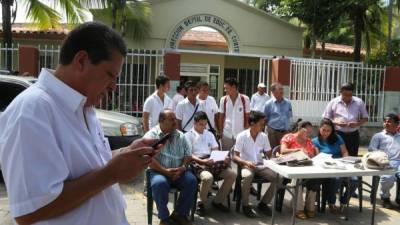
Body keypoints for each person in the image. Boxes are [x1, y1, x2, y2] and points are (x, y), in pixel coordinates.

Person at [0, 22, 160, 225]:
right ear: (82, 60)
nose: (113, 86)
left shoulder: (85, 108)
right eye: (110, 75)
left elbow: (86, 165)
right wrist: (112, 174)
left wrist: (125, 154)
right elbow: (30, 210)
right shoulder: (32, 110)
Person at [145, 110, 197, 225]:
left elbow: (188, 155)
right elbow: (148, 159)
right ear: (161, 121)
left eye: (175, 119)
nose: (175, 122)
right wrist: (165, 171)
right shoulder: (151, 136)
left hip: (179, 171)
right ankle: (164, 218)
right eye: (171, 119)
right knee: (159, 184)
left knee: (191, 181)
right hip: (159, 171)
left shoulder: (180, 136)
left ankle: (179, 214)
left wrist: (183, 167)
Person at [185, 111, 236, 216]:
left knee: (232, 174)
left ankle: (217, 201)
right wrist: (203, 161)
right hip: (197, 163)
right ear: (194, 123)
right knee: (208, 178)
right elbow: (189, 155)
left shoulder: (209, 134)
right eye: (201, 124)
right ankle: (201, 203)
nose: (203, 127)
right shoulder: (188, 136)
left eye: (205, 124)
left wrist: (222, 157)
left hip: (212, 161)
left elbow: (215, 149)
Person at [233, 111, 280, 218]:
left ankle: (263, 204)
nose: (263, 126)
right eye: (261, 123)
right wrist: (246, 162)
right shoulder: (242, 136)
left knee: (279, 177)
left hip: (260, 165)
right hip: (246, 165)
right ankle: (245, 205)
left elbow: (269, 154)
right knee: (247, 176)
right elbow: (235, 156)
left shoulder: (263, 136)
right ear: (252, 123)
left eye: (264, 124)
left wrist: (278, 158)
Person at [280, 120, 319, 219]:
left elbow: (313, 156)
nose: (309, 134)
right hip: (291, 170)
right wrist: (297, 150)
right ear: (300, 129)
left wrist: (316, 154)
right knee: (298, 179)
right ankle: (299, 209)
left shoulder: (308, 141)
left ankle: (310, 208)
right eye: (307, 131)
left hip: (306, 169)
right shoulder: (288, 137)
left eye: (310, 132)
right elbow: (283, 151)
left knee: (315, 179)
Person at [312, 118, 351, 213]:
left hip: (341, 164)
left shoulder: (337, 138)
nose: (325, 132)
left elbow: (345, 152)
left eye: (328, 130)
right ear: (319, 129)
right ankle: (331, 203)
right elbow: (317, 157)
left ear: (332, 130)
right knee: (336, 179)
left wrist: (346, 161)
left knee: (354, 180)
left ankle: (343, 202)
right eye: (323, 130)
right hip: (326, 167)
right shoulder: (315, 141)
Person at [323, 82, 368, 156]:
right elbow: (326, 118)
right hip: (337, 133)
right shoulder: (333, 102)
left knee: (352, 156)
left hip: (353, 135)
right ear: (340, 92)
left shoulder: (359, 102)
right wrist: (337, 123)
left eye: (350, 95)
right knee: (337, 155)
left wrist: (357, 124)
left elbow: (365, 118)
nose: (348, 97)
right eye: (345, 95)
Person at [369, 113, 400, 208]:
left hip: (398, 162)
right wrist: (382, 158)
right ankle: (385, 197)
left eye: (389, 121)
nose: (386, 123)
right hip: (383, 162)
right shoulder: (378, 136)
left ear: (397, 124)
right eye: (385, 121)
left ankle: (399, 198)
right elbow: (371, 149)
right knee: (387, 178)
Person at [218, 78, 250, 151]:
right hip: (227, 134)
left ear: (234, 87)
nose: (225, 90)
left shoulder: (245, 99)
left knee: (240, 157)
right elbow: (221, 117)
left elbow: (248, 117)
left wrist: (246, 133)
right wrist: (221, 132)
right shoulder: (223, 100)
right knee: (227, 157)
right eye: (224, 88)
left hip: (241, 134)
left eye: (227, 88)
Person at [264, 82, 293, 149]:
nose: (282, 91)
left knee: (284, 151)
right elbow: (265, 118)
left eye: (282, 89)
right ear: (273, 92)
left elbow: (289, 116)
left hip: (285, 131)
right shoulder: (268, 104)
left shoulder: (288, 103)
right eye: (280, 89)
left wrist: (289, 130)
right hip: (273, 132)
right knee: (274, 151)